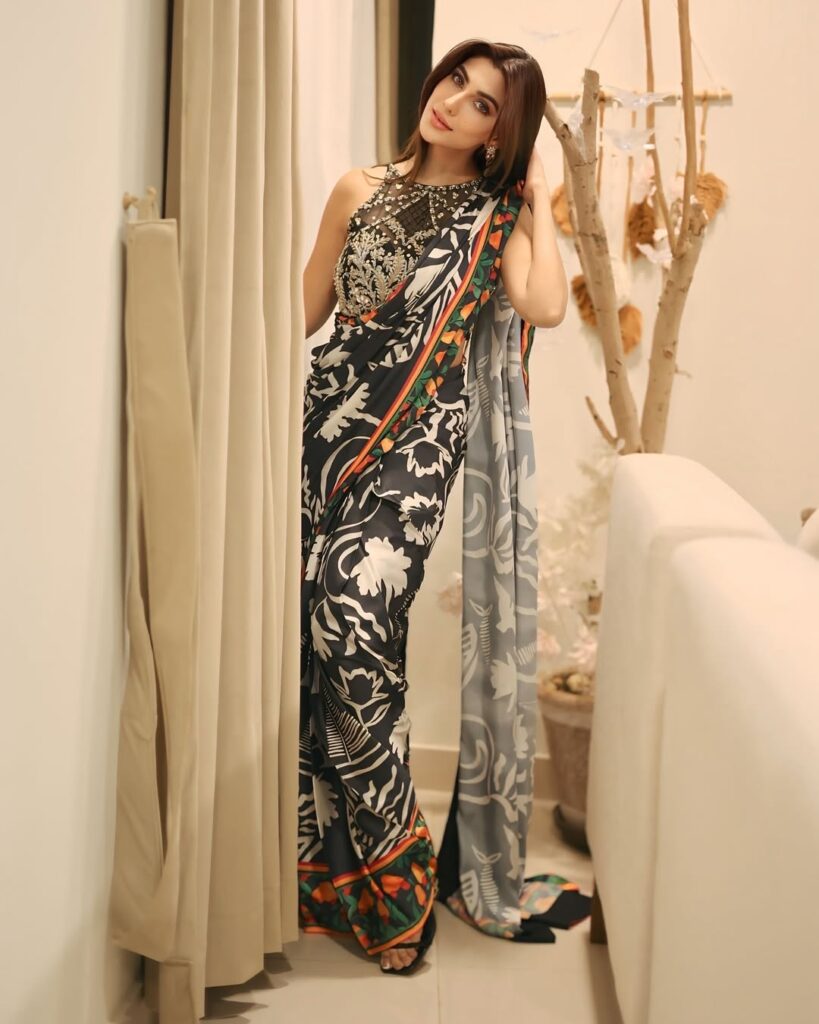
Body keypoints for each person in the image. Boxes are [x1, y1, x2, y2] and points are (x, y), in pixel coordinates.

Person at [298, 37, 567, 975]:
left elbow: (543, 306)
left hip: (415, 444)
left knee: (350, 615)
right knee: (313, 643)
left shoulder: (497, 217)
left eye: (484, 103)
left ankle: (398, 873)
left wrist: (539, 200)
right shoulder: (356, 188)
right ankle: (328, 872)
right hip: (322, 431)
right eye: (456, 80)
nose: (454, 101)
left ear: (500, 135)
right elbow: (302, 311)